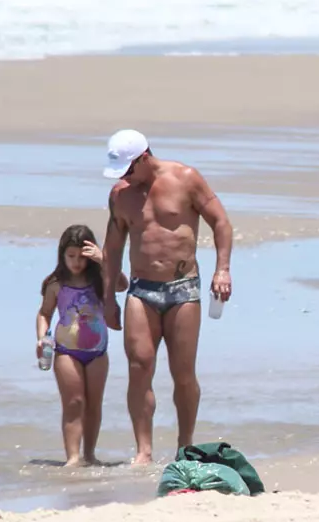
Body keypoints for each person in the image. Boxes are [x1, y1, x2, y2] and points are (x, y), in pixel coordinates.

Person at [100, 129, 234, 466]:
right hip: (141, 290)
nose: (125, 178)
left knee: (183, 372)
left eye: (129, 169)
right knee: (139, 366)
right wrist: (107, 298)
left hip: (182, 288)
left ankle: (184, 446)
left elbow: (220, 222)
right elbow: (113, 247)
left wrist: (222, 269)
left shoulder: (185, 178)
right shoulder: (120, 195)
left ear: (144, 157)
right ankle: (143, 450)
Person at [34, 225, 109, 467]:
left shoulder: (99, 279)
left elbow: (121, 284)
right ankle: (73, 457)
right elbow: (44, 313)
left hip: (97, 351)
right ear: (62, 255)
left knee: (94, 402)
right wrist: (41, 337)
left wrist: (103, 259)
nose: (76, 262)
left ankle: (90, 454)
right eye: (71, 256)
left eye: (81, 257)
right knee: (74, 402)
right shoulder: (56, 284)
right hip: (66, 351)